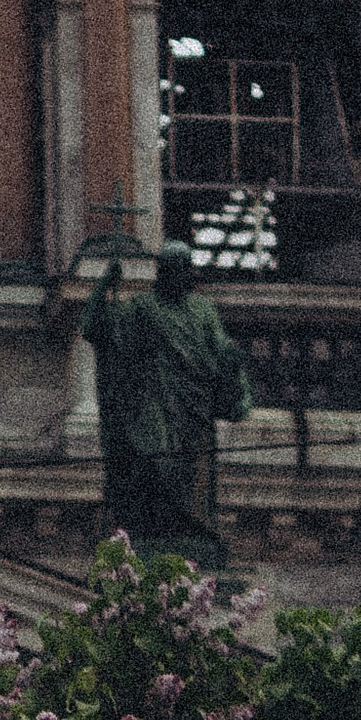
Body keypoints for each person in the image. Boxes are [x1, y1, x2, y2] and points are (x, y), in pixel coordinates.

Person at [82, 239, 251, 570]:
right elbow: (97, 329)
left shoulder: (204, 310)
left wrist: (232, 367)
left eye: (182, 271)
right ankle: (153, 532)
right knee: (156, 464)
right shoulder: (142, 307)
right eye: (170, 271)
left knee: (193, 476)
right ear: (161, 273)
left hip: (194, 408)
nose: (176, 277)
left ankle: (191, 536)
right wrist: (105, 285)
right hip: (153, 403)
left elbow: (219, 351)